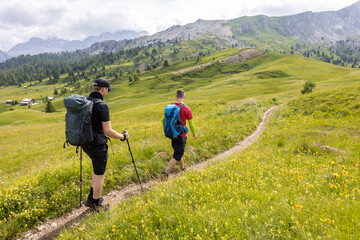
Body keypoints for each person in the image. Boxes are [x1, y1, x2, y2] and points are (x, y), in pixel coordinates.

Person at [83, 78, 129, 211]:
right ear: (103, 89)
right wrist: (123, 136)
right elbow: (107, 130)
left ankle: (91, 198)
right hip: (97, 145)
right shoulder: (101, 105)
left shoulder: (86, 102)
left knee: (96, 171)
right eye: (107, 90)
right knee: (99, 174)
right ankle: (96, 204)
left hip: (85, 142)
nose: (107, 92)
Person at [161, 89, 197, 179]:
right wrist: (194, 134)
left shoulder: (170, 108)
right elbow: (191, 124)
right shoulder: (186, 108)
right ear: (184, 97)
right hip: (182, 136)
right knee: (176, 156)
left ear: (176, 97)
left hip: (173, 136)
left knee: (178, 153)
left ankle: (183, 169)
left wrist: (168, 132)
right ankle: (165, 174)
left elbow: (162, 120)